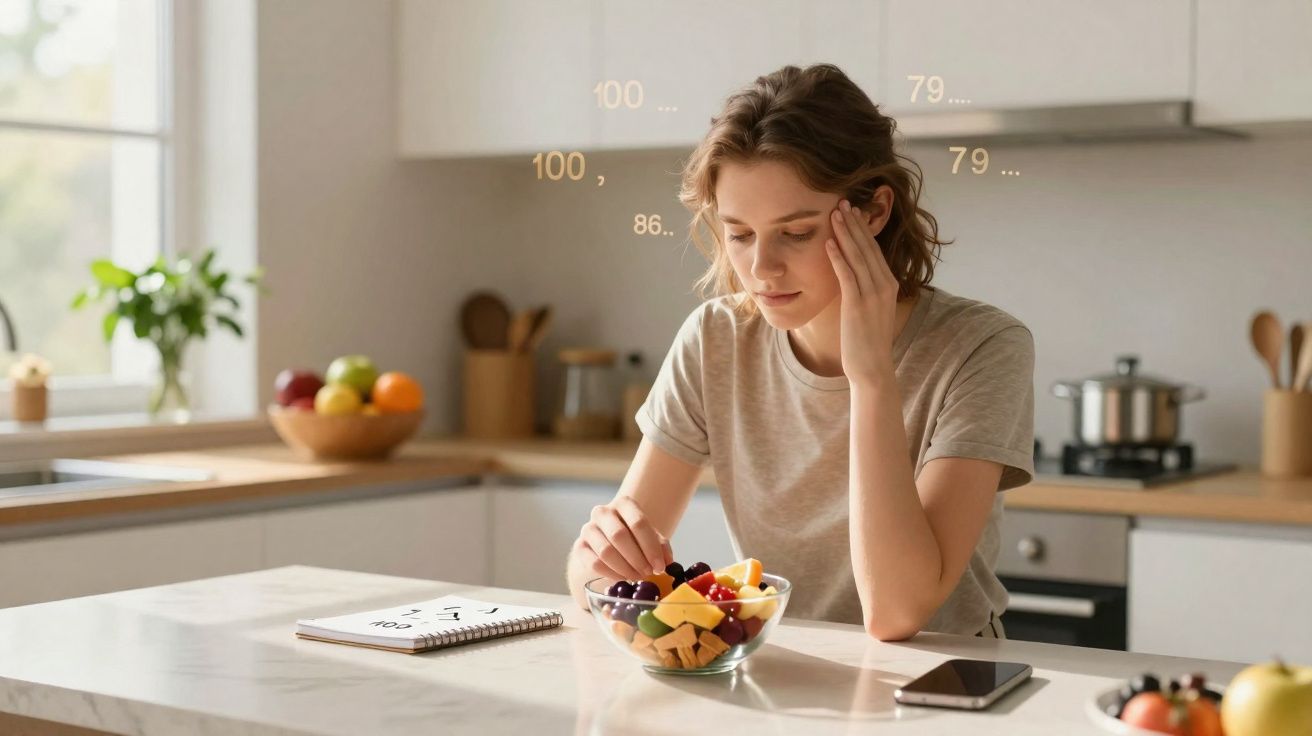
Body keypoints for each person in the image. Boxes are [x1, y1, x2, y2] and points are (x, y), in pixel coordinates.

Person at [565, 63, 1035, 641]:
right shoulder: (715, 338)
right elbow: (590, 582)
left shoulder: (981, 347)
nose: (761, 268)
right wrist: (602, 555)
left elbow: (896, 613)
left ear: (875, 212)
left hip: (943, 692)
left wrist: (871, 379)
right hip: (783, 677)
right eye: (739, 233)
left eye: (796, 231)